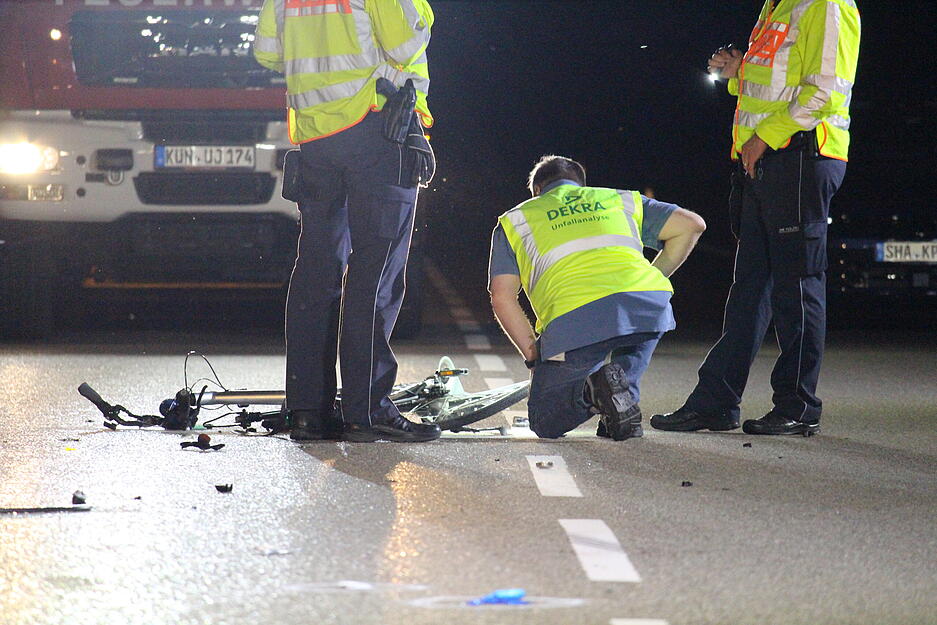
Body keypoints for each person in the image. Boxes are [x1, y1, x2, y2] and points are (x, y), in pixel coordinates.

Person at [652, 0, 861, 436]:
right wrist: (738, 73)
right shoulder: (775, 6)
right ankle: (716, 403)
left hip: (801, 155)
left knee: (797, 287)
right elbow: (777, 83)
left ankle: (798, 407)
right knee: (749, 290)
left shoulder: (826, 4)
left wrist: (765, 137)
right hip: (764, 163)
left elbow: (825, 91)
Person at [254, 0, 440, 442]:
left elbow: (267, 53)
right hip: (376, 128)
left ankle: (307, 411)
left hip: (316, 139)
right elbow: (407, 41)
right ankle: (366, 411)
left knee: (316, 270)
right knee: (376, 270)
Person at [489, 155, 706, 440]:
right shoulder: (618, 199)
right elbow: (692, 224)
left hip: (575, 318)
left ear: (538, 191)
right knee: (622, 365)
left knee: (545, 420)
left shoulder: (516, 220)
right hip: (647, 307)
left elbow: (502, 297)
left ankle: (593, 396)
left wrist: (533, 356)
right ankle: (619, 409)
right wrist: (652, 278)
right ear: (581, 185)